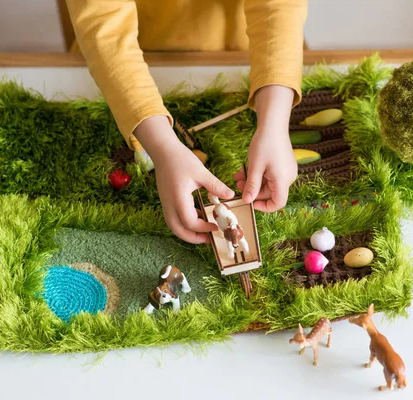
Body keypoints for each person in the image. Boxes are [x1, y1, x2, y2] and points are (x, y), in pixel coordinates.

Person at [66, 0, 308, 244]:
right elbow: (104, 24)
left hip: (236, 55)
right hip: (118, 67)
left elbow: (279, 6)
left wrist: (275, 124)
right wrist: (162, 147)